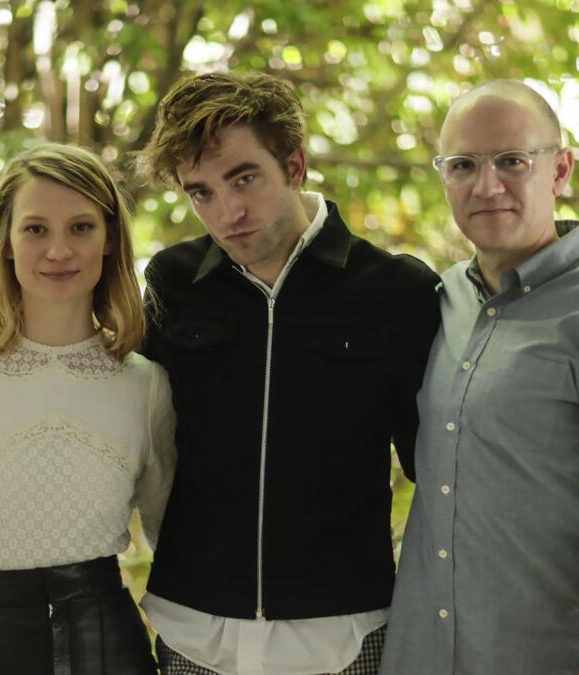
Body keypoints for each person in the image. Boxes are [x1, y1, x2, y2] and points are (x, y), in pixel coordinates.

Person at [134, 72, 440, 675]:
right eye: (201, 193)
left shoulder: (396, 292)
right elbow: (123, 430)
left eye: (244, 178)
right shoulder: (172, 283)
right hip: (195, 634)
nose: (228, 212)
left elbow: (440, 471)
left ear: (294, 166)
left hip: (346, 638)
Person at [380, 80, 579, 675]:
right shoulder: (438, 303)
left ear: (561, 169)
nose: (487, 185)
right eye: (463, 165)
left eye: (512, 161)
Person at [0, 143, 175, 675]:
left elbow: (173, 538)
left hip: (111, 651)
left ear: (109, 241)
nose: (58, 250)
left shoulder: (146, 385)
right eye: (36, 229)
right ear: (5, 243)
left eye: (81, 227)